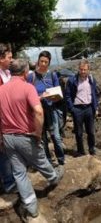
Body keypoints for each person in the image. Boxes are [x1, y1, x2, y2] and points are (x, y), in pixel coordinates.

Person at [0, 59, 63, 220]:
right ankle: (54, 178)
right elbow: (38, 112)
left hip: (8, 137)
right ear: (25, 72)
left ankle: (31, 207)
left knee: (19, 173)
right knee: (40, 160)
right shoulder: (28, 87)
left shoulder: (1, 90)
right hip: (25, 135)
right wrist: (37, 133)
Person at [27, 51, 65, 166]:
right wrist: (40, 97)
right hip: (38, 111)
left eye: (46, 62)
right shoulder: (31, 76)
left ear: (49, 63)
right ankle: (48, 161)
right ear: (38, 61)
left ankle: (61, 159)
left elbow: (59, 93)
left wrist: (55, 97)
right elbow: (28, 95)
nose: (43, 64)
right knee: (42, 137)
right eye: (41, 61)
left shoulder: (52, 75)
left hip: (51, 109)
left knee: (56, 137)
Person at [65, 59, 99, 156]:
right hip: (77, 109)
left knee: (91, 132)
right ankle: (81, 151)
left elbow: (95, 94)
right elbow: (67, 96)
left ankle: (92, 149)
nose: (83, 71)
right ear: (78, 69)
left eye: (85, 69)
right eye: (81, 69)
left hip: (89, 108)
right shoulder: (72, 80)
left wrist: (95, 107)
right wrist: (72, 109)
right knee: (79, 133)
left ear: (88, 69)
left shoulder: (92, 79)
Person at [0, 43, 16, 194]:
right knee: (3, 151)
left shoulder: (8, 73)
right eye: (9, 58)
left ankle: (10, 177)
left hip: (10, 118)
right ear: (1, 58)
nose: (12, 60)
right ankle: (9, 183)